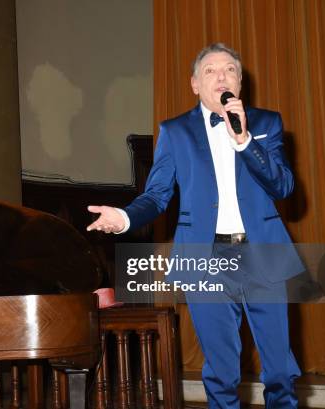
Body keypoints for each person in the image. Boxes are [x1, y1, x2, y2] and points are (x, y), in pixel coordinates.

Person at [87, 43, 302, 408]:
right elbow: (156, 196)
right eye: (210, 71)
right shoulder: (175, 132)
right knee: (221, 371)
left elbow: (282, 186)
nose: (221, 77)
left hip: (263, 252)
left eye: (230, 70)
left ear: (240, 80)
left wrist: (245, 141)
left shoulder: (267, 123)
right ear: (194, 84)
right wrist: (122, 218)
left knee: (280, 369)